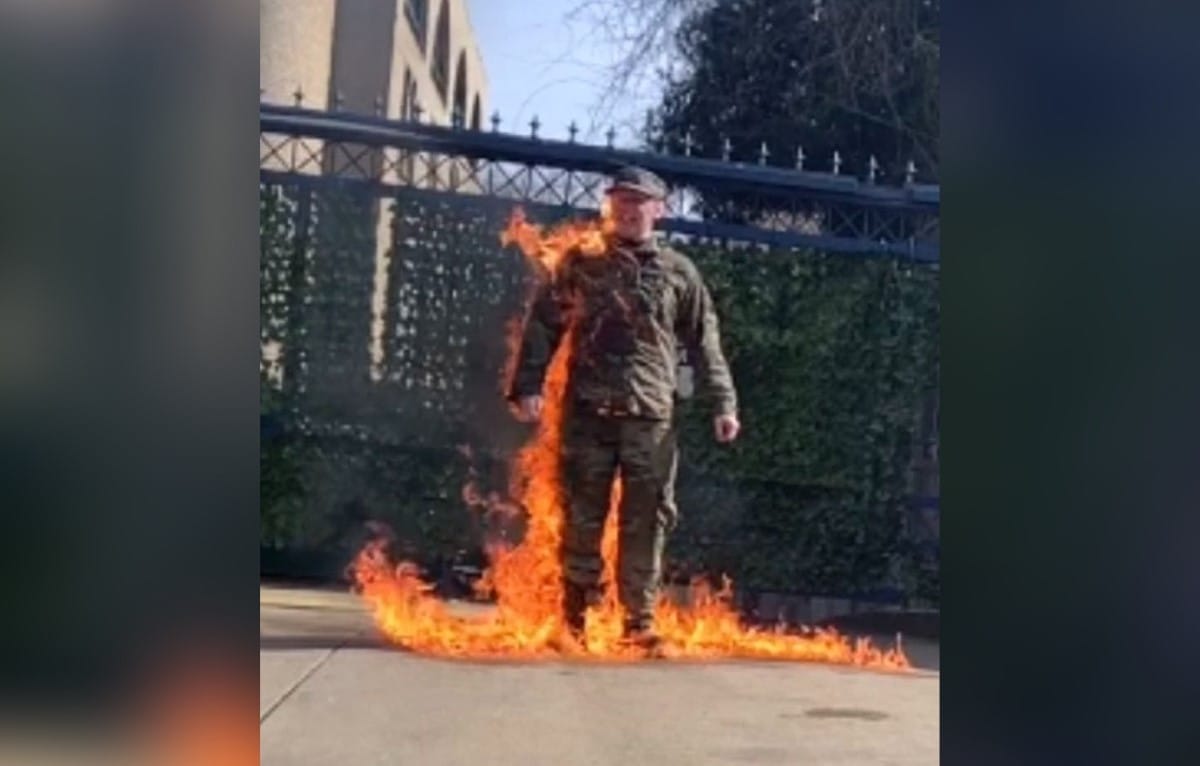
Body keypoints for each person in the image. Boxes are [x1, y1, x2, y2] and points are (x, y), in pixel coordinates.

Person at [507, 165, 740, 650]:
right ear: (609, 206)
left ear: (660, 209)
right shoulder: (581, 261)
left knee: (647, 518)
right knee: (581, 515)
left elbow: (705, 341)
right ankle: (574, 620)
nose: (629, 209)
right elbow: (544, 324)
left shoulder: (679, 272)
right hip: (587, 413)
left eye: (639, 201)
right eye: (621, 200)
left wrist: (724, 403)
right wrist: (527, 385)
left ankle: (639, 622)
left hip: (650, 419)